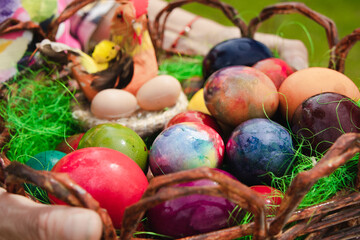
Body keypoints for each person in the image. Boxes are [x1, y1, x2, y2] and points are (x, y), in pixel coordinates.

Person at [0, 1, 309, 239]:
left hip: (88, 70)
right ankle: (12, 212)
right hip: (26, 102)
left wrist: (218, 40)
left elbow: (96, 9)